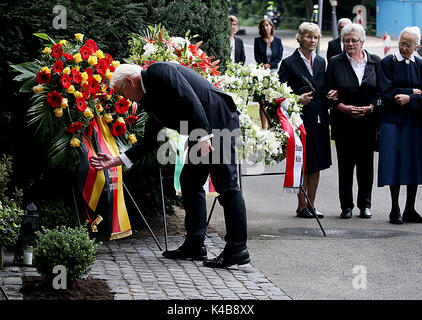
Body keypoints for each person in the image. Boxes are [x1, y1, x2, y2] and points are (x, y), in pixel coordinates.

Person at [90, 62, 250, 268]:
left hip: (217, 121)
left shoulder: (158, 72)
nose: (125, 99)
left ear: (130, 81)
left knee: (226, 183)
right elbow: (149, 140)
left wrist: (204, 135)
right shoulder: (149, 97)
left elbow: (189, 98)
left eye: (122, 92)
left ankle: (238, 249)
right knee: (190, 180)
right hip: (202, 129)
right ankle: (195, 245)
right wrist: (118, 160)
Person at [278, 22, 333, 219]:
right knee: (303, 163)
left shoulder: (321, 62)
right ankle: (301, 206)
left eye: (316, 37)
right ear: (300, 38)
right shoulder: (289, 63)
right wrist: (296, 100)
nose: (312, 41)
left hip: (319, 118)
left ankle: (312, 204)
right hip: (299, 119)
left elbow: (323, 90)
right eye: (309, 36)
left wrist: (331, 95)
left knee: (317, 164)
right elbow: (278, 94)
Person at [326, 23, 380, 220]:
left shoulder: (375, 62)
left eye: (354, 40)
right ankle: (346, 206)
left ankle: (365, 205)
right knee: (345, 167)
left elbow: (381, 93)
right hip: (344, 122)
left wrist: (372, 107)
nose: (350, 44)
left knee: (366, 167)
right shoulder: (334, 63)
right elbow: (328, 93)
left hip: (367, 122)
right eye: (346, 40)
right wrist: (341, 107)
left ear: (362, 42)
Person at [377, 26, 422, 224]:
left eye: (408, 44)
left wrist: (410, 98)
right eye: (402, 43)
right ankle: (394, 208)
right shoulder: (388, 62)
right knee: (393, 164)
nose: (403, 47)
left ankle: (410, 208)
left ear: (417, 46)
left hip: (414, 121)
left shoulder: (420, 64)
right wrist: (414, 91)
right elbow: (386, 91)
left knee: (414, 164)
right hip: (392, 120)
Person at [254, 18, 283, 129]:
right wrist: (264, 65)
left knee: (272, 100)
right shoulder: (258, 41)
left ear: (271, 27)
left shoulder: (278, 40)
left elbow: (279, 56)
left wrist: (270, 64)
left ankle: (271, 123)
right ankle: (263, 125)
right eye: (263, 26)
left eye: (267, 25)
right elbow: (257, 56)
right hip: (262, 72)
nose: (265, 28)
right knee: (262, 100)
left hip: (274, 71)